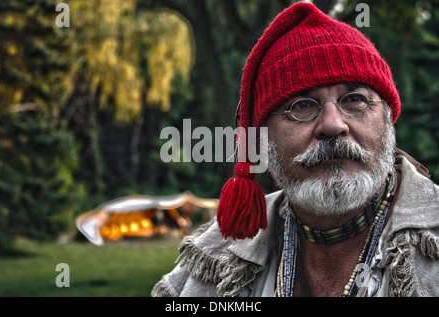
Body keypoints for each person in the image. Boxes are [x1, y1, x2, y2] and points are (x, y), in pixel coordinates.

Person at [152, 2, 439, 297]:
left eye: (355, 99)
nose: (332, 124)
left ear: (388, 121)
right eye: (301, 105)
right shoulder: (213, 258)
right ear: (264, 139)